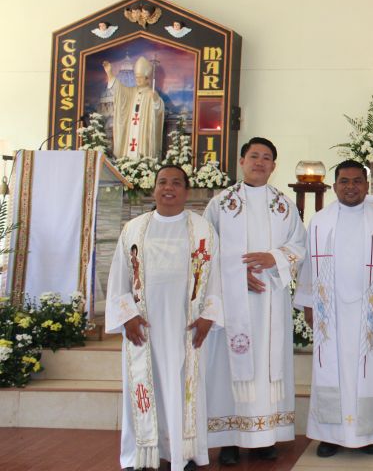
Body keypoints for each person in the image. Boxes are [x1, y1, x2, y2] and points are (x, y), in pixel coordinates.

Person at [105, 165, 222, 471]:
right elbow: (119, 278)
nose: (168, 188)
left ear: (187, 190)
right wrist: (127, 316)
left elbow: (215, 278)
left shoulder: (203, 230)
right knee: (145, 386)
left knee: (186, 388)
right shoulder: (134, 229)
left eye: (176, 183)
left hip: (187, 325)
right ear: (154, 188)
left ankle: (184, 453)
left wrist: (209, 316)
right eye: (162, 182)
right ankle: (142, 454)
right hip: (144, 325)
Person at [203, 137, 307, 465]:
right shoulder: (220, 204)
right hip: (231, 303)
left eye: (266, 158)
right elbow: (205, 251)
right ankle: (231, 439)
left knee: (267, 365)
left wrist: (272, 257)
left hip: (270, 301)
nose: (259, 162)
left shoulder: (284, 205)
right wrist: (235, 272)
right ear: (242, 160)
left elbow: (299, 245)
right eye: (254, 156)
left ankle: (265, 437)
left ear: (274, 166)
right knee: (229, 367)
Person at [295, 160, 373, 457]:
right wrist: (308, 303)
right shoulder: (320, 221)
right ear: (334, 186)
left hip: (370, 310)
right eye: (344, 181)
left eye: (357, 181)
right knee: (327, 368)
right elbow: (309, 265)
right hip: (329, 312)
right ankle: (329, 434)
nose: (351, 187)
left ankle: (368, 433)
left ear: (367, 185)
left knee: (368, 370)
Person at [103, 56, 165, 160]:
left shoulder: (151, 93)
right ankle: (127, 162)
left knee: (142, 149)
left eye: (140, 77)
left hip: (144, 131)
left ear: (147, 79)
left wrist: (155, 100)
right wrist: (109, 73)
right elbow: (119, 90)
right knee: (130, 147)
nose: (138, 80)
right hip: (131, 129)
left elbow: (158, 111)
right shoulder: (131, 92)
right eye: (136, 77)